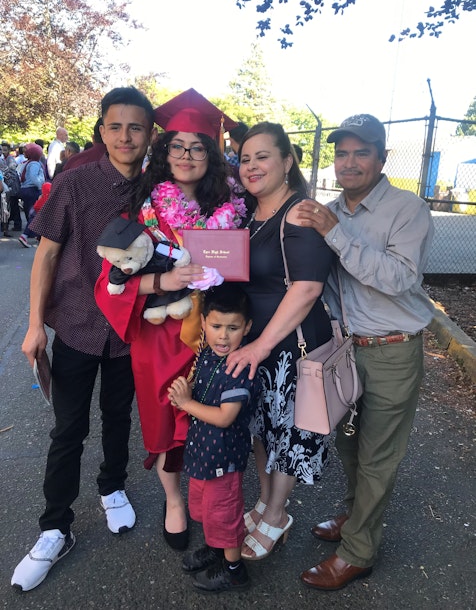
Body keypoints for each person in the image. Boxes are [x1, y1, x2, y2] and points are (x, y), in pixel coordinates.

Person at [11, 86, 155, 593]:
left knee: (119, 415)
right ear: (101, 132)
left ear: (149, 134)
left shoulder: (157, 192)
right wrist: (34, 326)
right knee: (68, 428)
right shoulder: (74, 184)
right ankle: (55, 527)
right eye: (115, 126)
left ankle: (112, 487)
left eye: (135, 127)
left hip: (130, 327)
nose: (124, 136)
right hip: (75, 323)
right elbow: (46, 255)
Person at [95, 88, 247, 552]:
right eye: (177, 145)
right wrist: (164, 283)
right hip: (160, 335)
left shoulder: (232, 207)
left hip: (216, 334)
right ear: (164, 151)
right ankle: (174, 501)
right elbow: (110, 284)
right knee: (165, 420)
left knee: (213, 418)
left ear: (211, 154)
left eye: (198, 147)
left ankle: (210, 496)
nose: (186, 155)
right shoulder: (142, 209)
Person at [296, 114, 435, 591]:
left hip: (394, 351)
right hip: (346, 350)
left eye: (361, 152)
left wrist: (334, 233)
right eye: (341, 153)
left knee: (378, 456)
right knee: (349, 444)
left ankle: (359, 551)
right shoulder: (332, 207)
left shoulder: (406, 209)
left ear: (381, 157)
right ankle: (356, 514)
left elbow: (399, 278)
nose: (348, 162)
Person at [225, 122, 335, 561]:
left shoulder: (299, 212)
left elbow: (307, 288)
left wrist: (260, 346)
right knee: (261, 429)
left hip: (292, 345)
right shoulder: (252, 215)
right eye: (245, 159)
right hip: (259, 343)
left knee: (289, 432)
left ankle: (276, 513)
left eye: (262, 156)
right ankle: (263, 502)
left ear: (287, 161)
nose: (251, 166)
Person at [168, 283, 259, 593]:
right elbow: (198, 391)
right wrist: (183, 393)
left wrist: (187, 404)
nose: (223, 335)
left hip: (224, 460)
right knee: (205, 509)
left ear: (247, 327)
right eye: (216, 326)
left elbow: (224, 416)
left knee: (225, 517)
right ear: (203, 323)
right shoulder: (207, 355)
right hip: (202, 453)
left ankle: (234, 570)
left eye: (233, 328)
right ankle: (214, 548)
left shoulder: (242, 369)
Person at [18, 143, 45, 248]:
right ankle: (25, 235)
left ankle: (35, 235)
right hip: (32, 190)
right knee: (35, 214)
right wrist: (40, 185)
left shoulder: (26, 163)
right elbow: (34, 178)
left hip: (25, 189)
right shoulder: (34, 164)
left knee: (31, 214)